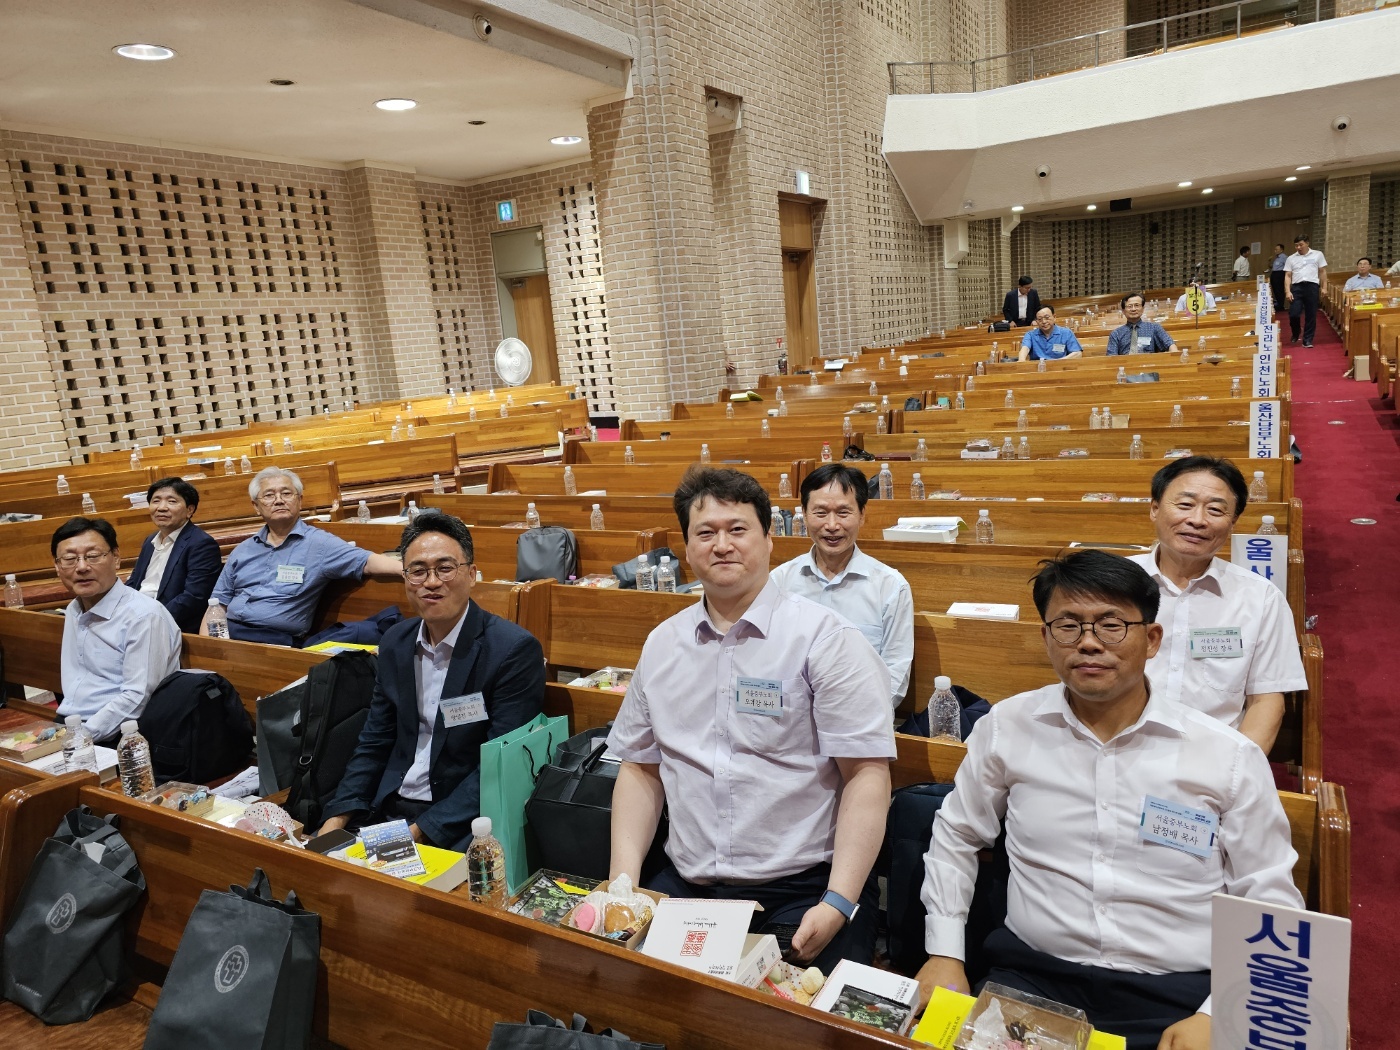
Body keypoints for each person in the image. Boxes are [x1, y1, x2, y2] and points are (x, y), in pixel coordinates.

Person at [916, 549, 1305, 1050]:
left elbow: (1270, 897)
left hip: (1181, 995)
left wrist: (1219, 1010)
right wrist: (945, 953)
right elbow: (957, 834)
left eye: (1111, 625)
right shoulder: (1007, 728)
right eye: (1068, 626)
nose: (1089, 642)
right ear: (1046, 638)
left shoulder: (1227, 755)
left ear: (1153, 639)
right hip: (1033, 976)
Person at [606, 467, 895, 972]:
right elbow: (640, 768)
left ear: (768, 539)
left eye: (737, 529)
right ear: (687, 548)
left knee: (792, 1014)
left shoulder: (827, 639)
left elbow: (866, 774)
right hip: (688, 884)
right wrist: (622, 887)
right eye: (705, 533)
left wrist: (838, 901)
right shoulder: (663, 643)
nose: (722, 545)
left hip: (804, 888)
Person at [319, 513, 545, 850]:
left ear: (471, 574)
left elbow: (499, 765)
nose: (432, 582)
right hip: (390, 801)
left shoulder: (512, 650)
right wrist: (337, 819)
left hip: (462, 817)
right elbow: (375, 741)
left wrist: (414, 834)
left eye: (445, 568)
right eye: (418, 571)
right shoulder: (396, 642)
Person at [1128, 456, 1305, 752]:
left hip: (1211, 759)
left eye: (1215, 510)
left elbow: (1266, 701)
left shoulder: (1261, 598)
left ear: (1232, 522)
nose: (1198, 520)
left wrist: (1237, 771)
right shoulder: (1112, 584)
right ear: (1154, 508)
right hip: (1118, 750)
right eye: (1185, 504)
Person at [203, 466, 402, 645]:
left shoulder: (320, 544)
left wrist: (408, 570)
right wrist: (207, 647)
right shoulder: (242, 550)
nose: (279, 500)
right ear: (256, 506)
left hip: (274, 641)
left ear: (299, 501)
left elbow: (366, 560)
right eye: (269, 495)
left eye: (286, 493)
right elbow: (217, 605)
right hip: (229, 634)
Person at [770, 463, 914, 708]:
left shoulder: (890, 586)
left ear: (862, 514)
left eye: (843, 512)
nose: (832, 525)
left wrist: (853, 718)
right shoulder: (779, 581)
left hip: (861, 718)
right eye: (820, 512)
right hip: (792, 717)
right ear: (804, 514)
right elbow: (768, 659)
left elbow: (895, 673)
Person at [52, 516, 181, 743]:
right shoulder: (74, 609)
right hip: (71, 723)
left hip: (120, 735)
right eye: (70, 559)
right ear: (57, 567)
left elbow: (137, 698)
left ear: (116, 558)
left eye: (93, 556)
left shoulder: (143, 616)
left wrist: (80, 738)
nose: (81, 567)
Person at [126, 477, 222, 633]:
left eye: (171, 501)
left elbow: (193, 597)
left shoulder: (201, 544)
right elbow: (134, 582)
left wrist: (151, 620)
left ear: (189, 510)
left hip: (170, 626)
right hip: (137, 618)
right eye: (156, 501)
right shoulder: (150, 540)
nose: (161, 508)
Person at [1283, 234, 1327, 347]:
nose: (1298, 247)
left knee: (1311, 314)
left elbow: (1322, 272)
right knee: (1294, 313)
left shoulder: (1318, 254)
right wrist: (1288, 291)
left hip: (1312, 287)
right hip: (1297, 287)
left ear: (1307, 243)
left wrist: (1324, 287)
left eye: (1301, 245)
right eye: (1296, 245)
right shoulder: (1291, 258)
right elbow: (1288, 275)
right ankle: (1296, 331)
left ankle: (1307, 340)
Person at [1105, 292, 1178, 356]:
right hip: (1125, 365)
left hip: (1149, 364)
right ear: (1123, 311)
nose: (1133, 309)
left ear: (1143, 309)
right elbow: (1111, 357)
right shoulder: (1116, 333)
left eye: (1137, 305)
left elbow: (1170, 345)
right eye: (1129, 306)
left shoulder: (1154, 328)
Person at [1017, 305, 1082, 361]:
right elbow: (1025, 349)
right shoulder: (1030, 335)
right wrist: (1021, 360)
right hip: (1038, 368)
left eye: (1047, 318)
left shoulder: (1066, 333)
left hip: (1060, 367)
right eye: (1040, 319)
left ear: (1054, 317)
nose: (1044, 321)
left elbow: (1077, 353)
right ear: (1036, 321)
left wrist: (1057, 362)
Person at [1269, 243, 1288, 312]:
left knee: (1279, 290)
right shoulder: (1276, 258)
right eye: (1275, 249)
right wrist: (1269, 261)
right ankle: (1278, 305)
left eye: (1277, 249)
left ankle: (1281, 306)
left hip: (1280, 274)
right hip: (1274, 274)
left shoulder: (1284, 257)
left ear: (1281, 250)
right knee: (1275, 290)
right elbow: (1273, 267)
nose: (1275, 251)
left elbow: (1287, 267)